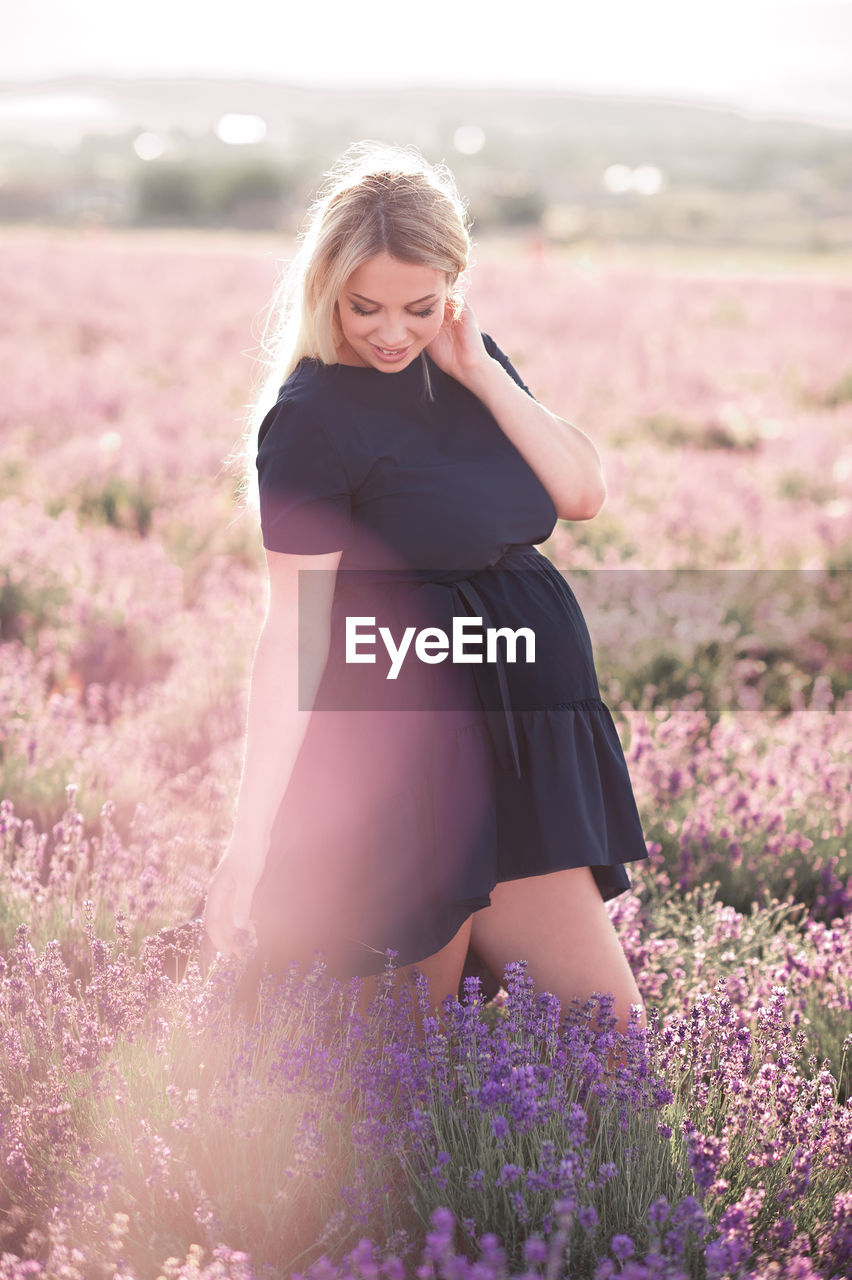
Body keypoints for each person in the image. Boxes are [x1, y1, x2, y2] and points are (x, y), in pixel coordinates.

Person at [202, 141, 649, 1036]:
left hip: (523, 759)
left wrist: (479, 367)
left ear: (456, 283)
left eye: (421, 304)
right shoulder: (310, 419)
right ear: (325, 285)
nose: (393, 332)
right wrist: (245, 849)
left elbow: (583, 492)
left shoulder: (468, 363)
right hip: (414, 764)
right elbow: (294, 636)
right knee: (402, 1063)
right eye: (365, 306)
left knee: (618, 1046)